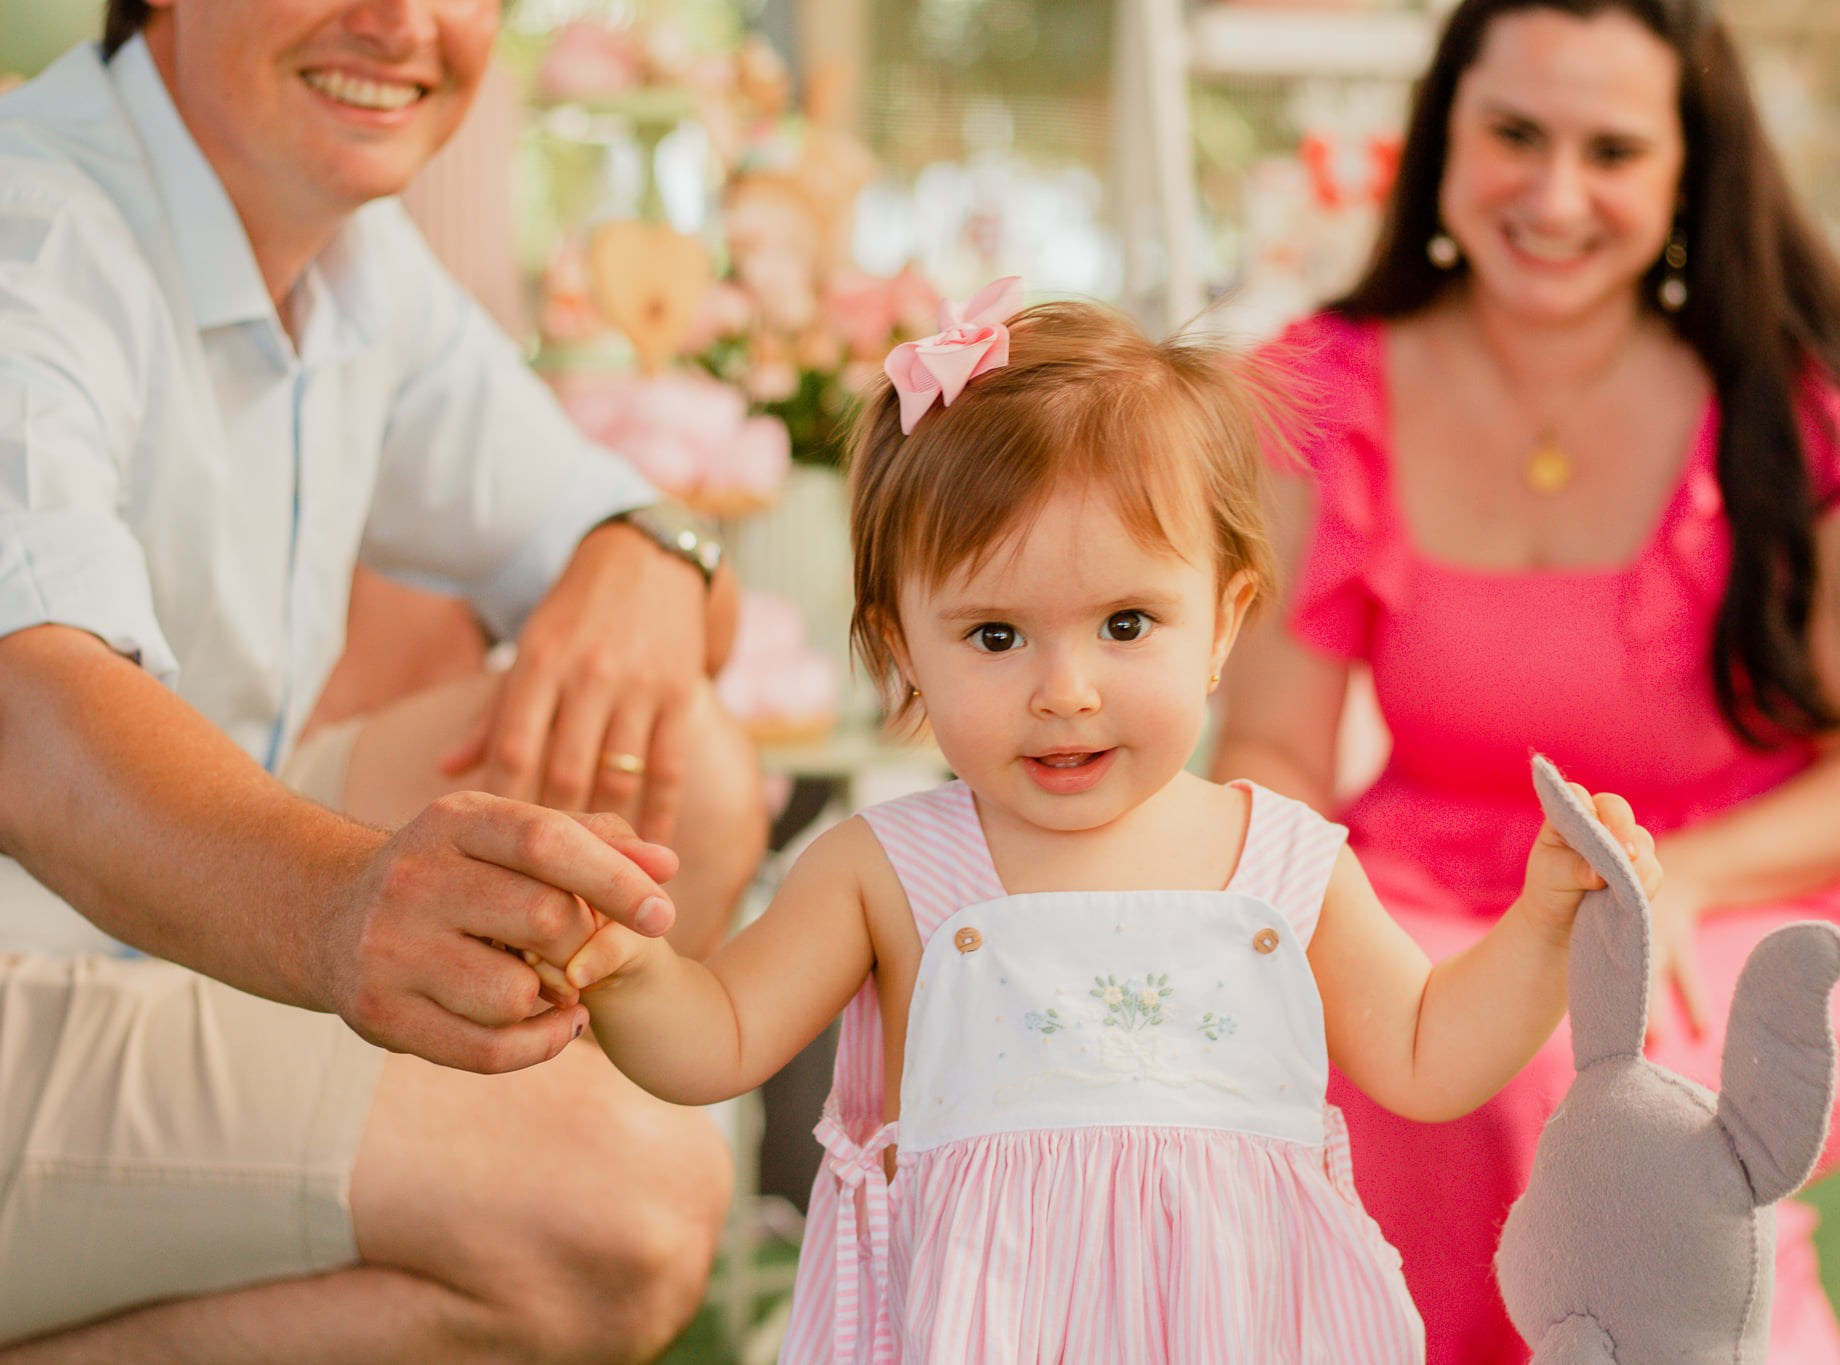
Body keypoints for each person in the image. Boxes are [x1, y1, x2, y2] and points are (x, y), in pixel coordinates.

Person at [549, 286, 1662, 1361]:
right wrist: (629, 967)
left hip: (1246, 1329)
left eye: (1125, 624)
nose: (1066, 690)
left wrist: (1542, 925)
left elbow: (1428, 1056)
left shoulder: (1280, 865)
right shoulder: (883, 870)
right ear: (902, 649)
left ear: (1221, 623)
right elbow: (717, 1040)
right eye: (994, 637)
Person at [1209, 1, 1840, 1361]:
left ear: (1689, 172)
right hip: (1428, 875)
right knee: (1419, 1069)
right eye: (1515, 131)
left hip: (1747, 883)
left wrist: (1677, 885)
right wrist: (1303, 921)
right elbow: (1273, 747)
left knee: (1620, 1108)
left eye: (1615, 151)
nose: (1555, 192)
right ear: (1442, 134)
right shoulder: (1315, 394)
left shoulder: (1800, 410)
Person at [0, 0, 768, 1358]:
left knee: (680, 765)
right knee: (626, 1196)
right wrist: (338, 907)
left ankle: (447, 1183)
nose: (400, 22)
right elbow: (32, 730)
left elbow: (660, 559)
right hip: (23, 975)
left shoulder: (356, 258)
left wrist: (648, 554)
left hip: (143, 938)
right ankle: (500, 1186)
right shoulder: (34, 232)